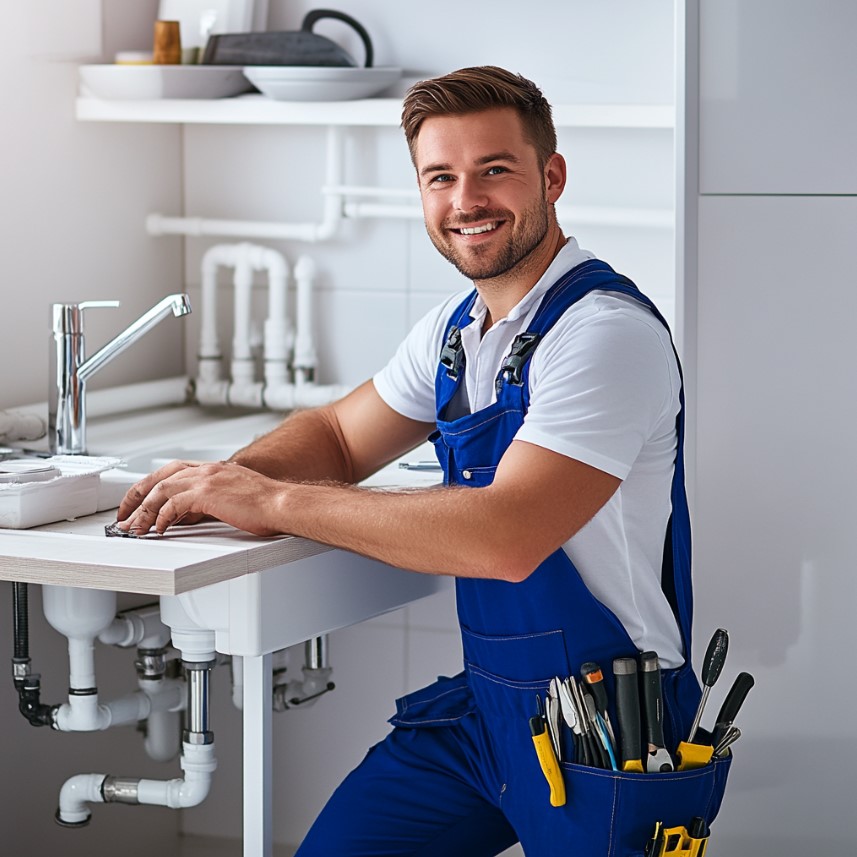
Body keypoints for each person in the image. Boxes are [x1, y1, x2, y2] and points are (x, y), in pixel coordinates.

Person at [118, 66, 723, 855]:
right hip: (490, 715)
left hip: (611, 724)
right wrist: (225, 483)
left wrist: (270, 502)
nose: (464, 200)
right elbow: (338, 436)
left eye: (493, 171)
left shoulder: (603, 334)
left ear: (551, 177)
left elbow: (504, 536)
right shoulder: (456, 328)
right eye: (440, 177)